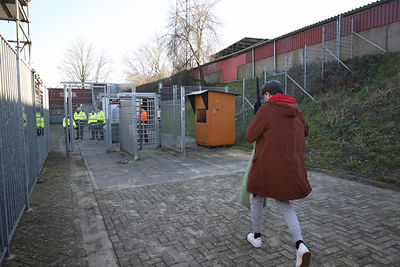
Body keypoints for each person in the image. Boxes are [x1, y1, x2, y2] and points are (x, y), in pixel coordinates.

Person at [245, 80, 312, 267]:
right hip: (289, 168)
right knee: (284, 204)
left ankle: (256, 236)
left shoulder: (266, 110)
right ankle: (300, 245)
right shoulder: (296, 111)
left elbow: (250, 136)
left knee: (256, 197)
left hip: (266, 168)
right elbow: (305, 130)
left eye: (265, 97)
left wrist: (258, 114)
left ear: (268, 95)